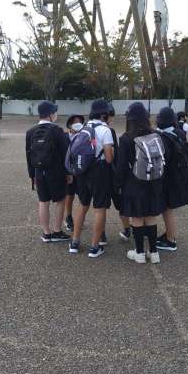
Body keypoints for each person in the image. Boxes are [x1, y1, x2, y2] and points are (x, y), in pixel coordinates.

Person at [115, 102, 164, 264]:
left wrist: (118, 184)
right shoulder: (155, 134)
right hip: (154, 182)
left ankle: (140, 253)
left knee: (137, 217)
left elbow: (121, 166)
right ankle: (154, 252)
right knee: (150, 216)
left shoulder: (126, 138)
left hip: (134, 184)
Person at [68, 100, 114, 257]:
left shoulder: (83, 128)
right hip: (99, 171)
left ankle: (74, 242)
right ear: (103, 114)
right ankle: (95, 247)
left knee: (82, 205)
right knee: (100, 209)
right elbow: (109, 158)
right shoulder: (105, 130)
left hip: (82, 170)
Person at [25, 101, 71, 243]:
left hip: (39, 171)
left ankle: (46, 233)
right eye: (54, 112)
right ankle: (57, 231)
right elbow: (66, 153)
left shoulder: (30, 132)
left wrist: (31, 175)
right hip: (56, 171)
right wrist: (68, 173)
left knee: (43, 201)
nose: (56, 114)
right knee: (60, 200)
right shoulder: (57, 130)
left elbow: (28, 155)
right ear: (51, 114)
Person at [156, 107, 188, 251]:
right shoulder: (178, 133)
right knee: (168, 209)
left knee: (167, 209)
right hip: (178, 176)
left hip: (168, 178)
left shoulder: (164, 137)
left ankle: (170, 240)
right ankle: (169, 234)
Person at [107, 104, 131, 242]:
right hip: (112, 172)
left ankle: (101, 235)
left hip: (95, 174)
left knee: (100, 207)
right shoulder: (110, 131)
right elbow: (115, 154)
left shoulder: (89, 129)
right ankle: (128, 229)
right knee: (121, 203)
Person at [64, 114, 85, 232]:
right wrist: (67, 172)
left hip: (81, 171)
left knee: (83, 196)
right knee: (69, 195)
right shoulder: (64, 137)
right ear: (69, 124)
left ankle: (80, 219)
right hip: (69, 171)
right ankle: (68, 217)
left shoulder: (84, 136)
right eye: (75, 122)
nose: (78, 124)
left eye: (80, 122)